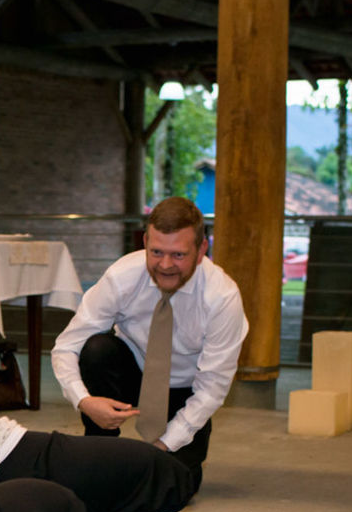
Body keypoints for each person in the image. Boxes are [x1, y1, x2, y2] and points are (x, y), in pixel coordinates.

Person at [51, 196, 248, 490]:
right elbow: (67, 346)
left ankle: (166, 466)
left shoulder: (222, 298)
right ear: (144, 241)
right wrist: (85, 401)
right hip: (133, 373)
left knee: (172, 488)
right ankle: (98, 458)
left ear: (201, 249)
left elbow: (212, 389)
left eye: (178, 255)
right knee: (97, 350)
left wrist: (164, 444)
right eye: (156, 252)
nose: (165, 265)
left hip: (185, 391)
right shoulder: (122, 277)